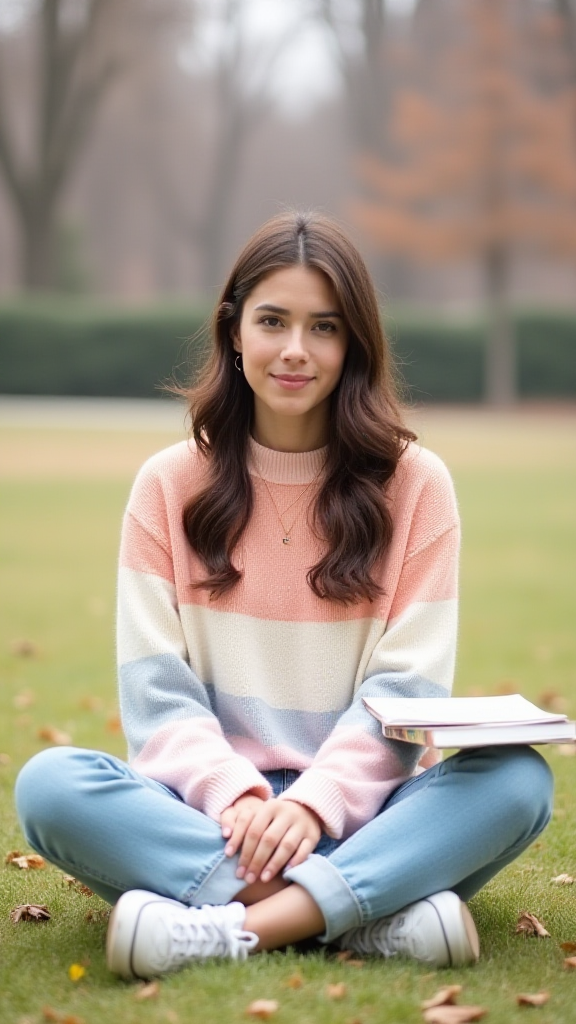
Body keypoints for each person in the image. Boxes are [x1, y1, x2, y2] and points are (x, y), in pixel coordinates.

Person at [15, 212, 553, 981]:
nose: (296, 350)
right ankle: (368, 919)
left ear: (352, 345)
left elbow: (403, 694)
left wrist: (312, 807)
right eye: (273, 321)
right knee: (51, 786)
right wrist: (238, 797)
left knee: (518, 781)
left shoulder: (416, 487)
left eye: (324, 327)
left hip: (373, 815)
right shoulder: (168, 485)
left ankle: (227, 929)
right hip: (211, 818)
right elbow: (157, 695)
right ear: (234, 333)